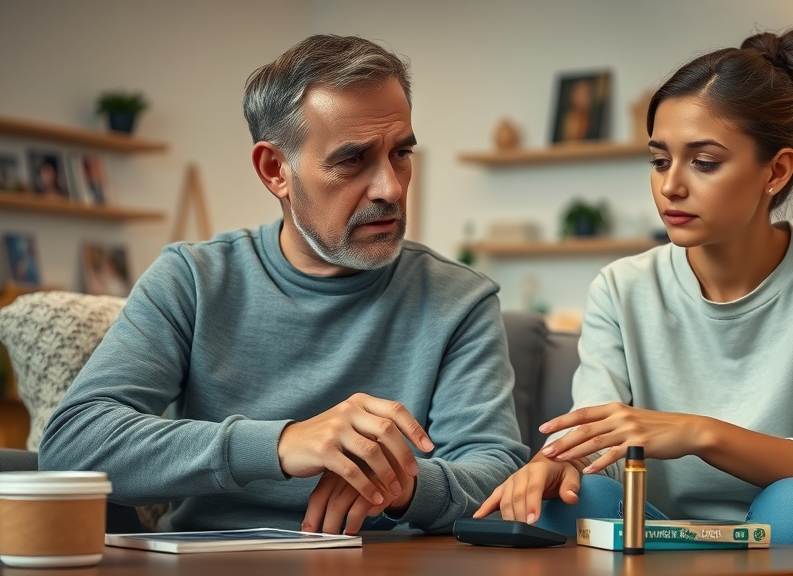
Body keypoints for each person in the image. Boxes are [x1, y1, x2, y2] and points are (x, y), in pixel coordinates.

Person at [40, 34, 528, 535]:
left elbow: (498, 471)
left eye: (400, 154)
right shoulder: (192, 278)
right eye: (352, 160)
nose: (391, 188)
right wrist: (280, 444)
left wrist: (405, 483)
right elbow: (74, 446)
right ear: (276, 170)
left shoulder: (460, 298)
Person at [476, 26, 793, 551]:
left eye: (704, 162)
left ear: (776, 171)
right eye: (660, 160)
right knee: (573, 499)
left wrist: (703, 434)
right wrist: (556, 467)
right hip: (675, 537)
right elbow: (602, 457)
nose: (671, 186)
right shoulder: (622, 288)